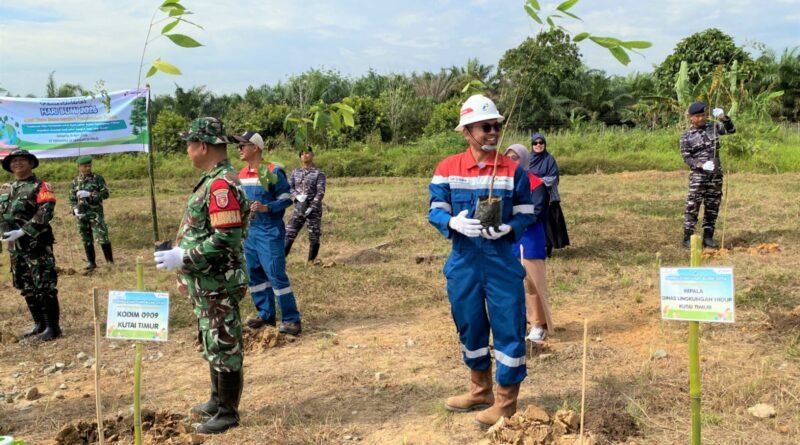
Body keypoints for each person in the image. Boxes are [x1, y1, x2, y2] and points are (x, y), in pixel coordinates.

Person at [429, 94, 534, 427]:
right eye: (486, 127)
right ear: (467, 132)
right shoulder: (448, 168)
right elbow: (435, 208)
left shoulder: (512, 171)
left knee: (508, 327)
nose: (493, 133)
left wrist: (508, 227)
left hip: (500, 260)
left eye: (496, 126)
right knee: (469, 323)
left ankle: (505, 402)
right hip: (463, 260)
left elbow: (526, 212)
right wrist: (450, 222)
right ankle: (479, 389)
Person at [153, 117, 248, 434]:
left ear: (202, 146)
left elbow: (226, 238)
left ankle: (227, 411)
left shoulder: (221, 185)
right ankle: (216, 398)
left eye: (189, 145)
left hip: (218, 280)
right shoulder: (212, 180)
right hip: (206, 281)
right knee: (212, 338)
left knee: (224, 342)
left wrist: (184, 255)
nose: (188, 151)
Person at [235, 131, 302, 336]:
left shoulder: (273, 171)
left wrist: (267, 207)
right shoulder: (241, 174)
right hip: (250, 232)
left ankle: (291, 320)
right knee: (255, 274)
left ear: (255, 147)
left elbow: (287, 198)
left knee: (275, 274)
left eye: (242, 145)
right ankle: (265, 315)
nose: (239, 149)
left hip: (269, 230)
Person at [1, 149, 62, 341]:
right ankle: (39, 324)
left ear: (31, 163)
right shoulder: (5, 188)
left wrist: (24, 231)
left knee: (44, 284)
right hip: (15, 247)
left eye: (22, 160)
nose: (17, 163)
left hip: (37, 244)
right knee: (26, 285)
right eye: (14, 161)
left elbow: (46, 211)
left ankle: (53, 328)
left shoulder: (41, 186)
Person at [505, 144, 554, 344]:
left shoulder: (535, 184)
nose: (510, 161)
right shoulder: (504, 182)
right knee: (512, 283)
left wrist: (513, 221)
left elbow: (537, 211)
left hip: (529, 239)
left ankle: (538, 324)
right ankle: (520, 322)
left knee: (532, 283)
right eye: (508, 157)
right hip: (508, 239)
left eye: (515, 157)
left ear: (524, 159)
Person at [680, 101, 735, 249]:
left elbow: (731, 130)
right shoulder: (687, 136)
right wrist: (701, 165)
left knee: (712, 205)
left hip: (715, 174)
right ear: (691, 117)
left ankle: (708, 237)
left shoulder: (714, 127)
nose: (700, 119)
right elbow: (687, 157)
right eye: (697, 116)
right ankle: (688, 237)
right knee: (693, 205)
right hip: (699, 175)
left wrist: (724, 117)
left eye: (703, 115)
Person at [69, 155, 113, 272]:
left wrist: (90, 194)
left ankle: (109, 261)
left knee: (102, 237)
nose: (87, 168)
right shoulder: (75, 182)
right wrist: (75, 209)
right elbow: (72, 198)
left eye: (89, 166)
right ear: (79, 167)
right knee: (86, 238)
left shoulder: (97, 178)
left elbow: (105, 194)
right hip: (82, 215)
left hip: (95, 214)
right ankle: (91, 263)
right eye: (85, 166)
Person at [528, 133, 570, 257]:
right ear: (532, 145)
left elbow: (553, 178)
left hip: (548, 196)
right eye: (535, 143)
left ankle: (548, 248)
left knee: (548, 223)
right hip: (532, 196)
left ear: (545, 144)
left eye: (541, 143)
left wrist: (538, 181)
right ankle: (536, 247)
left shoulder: (549, 159)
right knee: (535, 221)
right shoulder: (528, 159)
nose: (538, 145)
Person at [284, 146, 326, 264]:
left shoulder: (318, 173)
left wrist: (311, 207)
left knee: (314, 234)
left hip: (313, 209)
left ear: (312, 155)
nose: (305, 155)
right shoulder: (296, 172)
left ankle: (311, 261)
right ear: (300, 157)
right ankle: (281, 260)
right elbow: (290, 188)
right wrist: (295, 197)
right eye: (302, 153)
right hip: (299, 207)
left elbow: (320, 192)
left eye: (307, 153)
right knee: (289, 232)